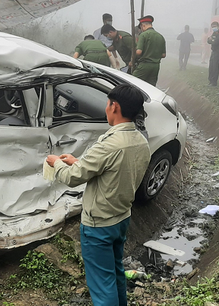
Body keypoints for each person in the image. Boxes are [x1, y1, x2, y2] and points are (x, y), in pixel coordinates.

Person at [45, 84, 150, 306]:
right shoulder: (141, 142)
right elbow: (110, 170)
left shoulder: (110, 144)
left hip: (98, 225)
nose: (106, 108)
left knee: (102, 286)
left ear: (115, 106)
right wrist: (78, 161)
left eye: (107, 103)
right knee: (115, 272)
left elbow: (73, 177)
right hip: (121, 218)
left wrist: (56, 164)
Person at [133, 15, 166, 86]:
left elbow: (139, 52)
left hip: (145, 65)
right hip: (156, 66)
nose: (141, 29)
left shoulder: (143, 35)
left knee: (133, 83)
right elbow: (163, 55)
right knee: (151, 86)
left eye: (141, 27)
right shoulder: (160, 36)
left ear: (143, 25)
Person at [207, 22, 219, 86]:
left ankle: (214, 81)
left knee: (215, 67)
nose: (213, 28)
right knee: (211, 66)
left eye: (214, 26)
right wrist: (211, 40)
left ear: (218, 26)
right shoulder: (214, 33)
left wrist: (212, 40)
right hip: (213, 51)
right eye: (212, 27)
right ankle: (210, 80)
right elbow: (208, 41)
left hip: (218, 52)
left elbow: (216, 42)